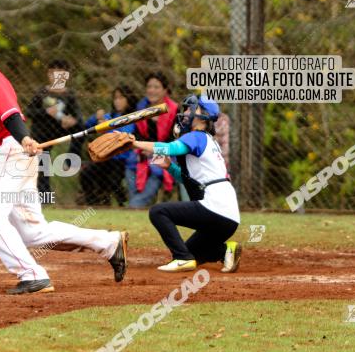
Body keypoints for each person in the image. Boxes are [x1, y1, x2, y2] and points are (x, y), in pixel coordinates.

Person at [0, 24, 128, 294]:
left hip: (8, 150)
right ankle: (109, 242)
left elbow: (10, 113)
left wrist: (24, 139)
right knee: (34, 233)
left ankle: (32, 274)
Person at [130, 94, 242, 273]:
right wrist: (169, 167)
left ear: (203, 116)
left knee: (158, 212)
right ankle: (225, 250)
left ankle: (181, 258)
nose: (186, 113)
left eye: (191, 109)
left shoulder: (197, 136)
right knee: (191, 252)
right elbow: (190, 181)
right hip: (228, 217)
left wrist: (135, 143)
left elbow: (169, 148)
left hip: (216, 207)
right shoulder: (208, 140)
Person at [24, 59, 84, 199]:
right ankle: (44, 197)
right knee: (42, 164)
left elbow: (78, 117)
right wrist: (45, 112)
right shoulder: (42, 92)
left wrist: (71, 121)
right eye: (53, 73)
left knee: (81, 128)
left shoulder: (69, 95)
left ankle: (70, 159)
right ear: (49, 74)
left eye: (61, 73)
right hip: (42, 134)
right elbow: (29, 112)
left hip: (60, 131)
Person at [79, 86, 138, 205]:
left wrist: (107, 128)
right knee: (86, 173)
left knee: (113, 181)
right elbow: (87, 126)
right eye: (115, 98)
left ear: (128, 99)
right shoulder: (110, 116)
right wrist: (96, 117)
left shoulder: (133, 117)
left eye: (121, 98)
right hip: (106, 158)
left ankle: (123, 205)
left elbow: (124, 135)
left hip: (122, 160)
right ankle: (94, 204)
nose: (117, 101)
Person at [128, 72, 179, 208]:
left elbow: (174, 141)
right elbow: (137, 134)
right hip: (143, 152)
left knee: (157, 169)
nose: (152, 90)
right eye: (149, 87)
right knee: (131, 164)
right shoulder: (141, 108)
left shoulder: (174, 109)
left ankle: (135, 205)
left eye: (156, 87)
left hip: (167, 152)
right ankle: (136, 203)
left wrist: (152, 151)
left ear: (165, 90)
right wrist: (143, 149)